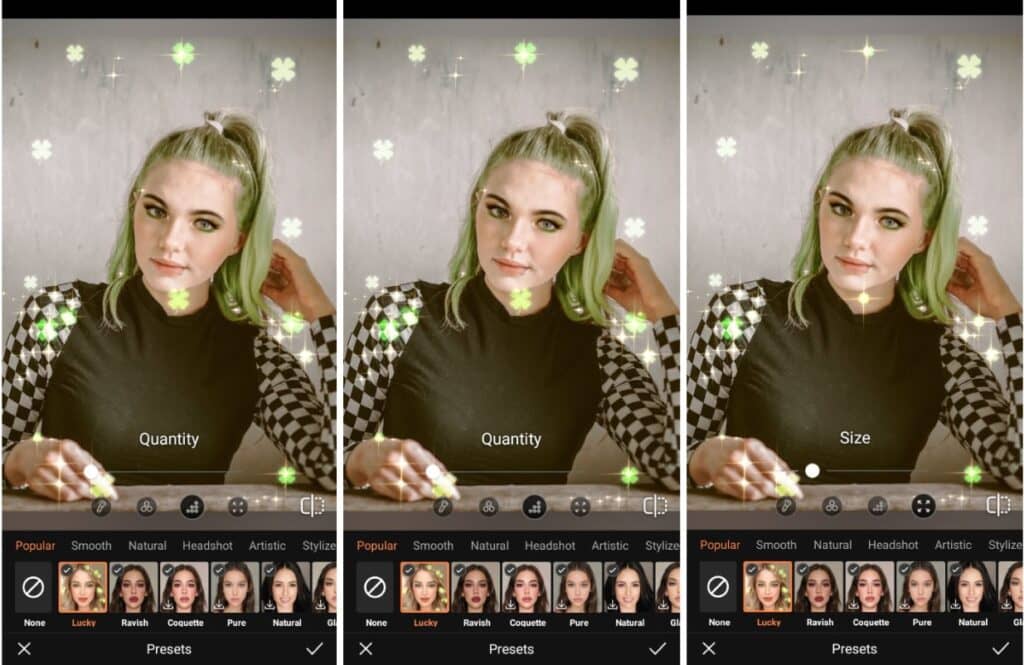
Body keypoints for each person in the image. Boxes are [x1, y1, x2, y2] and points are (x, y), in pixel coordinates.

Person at [343, 110, 680, 499]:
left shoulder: (599, 356)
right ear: (476, 207)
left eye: (547, 223)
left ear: (580, 242)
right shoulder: (396, 315)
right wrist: (362, 461)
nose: (513, 240)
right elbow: (330, 460)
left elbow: (677, 469)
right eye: (499, 211)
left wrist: (664, 314)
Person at [686, 107, 1022, 499]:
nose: (856, 238)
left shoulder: (944, 357)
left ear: (923, 239)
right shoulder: (740, 313)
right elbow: (669, 460)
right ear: (819, 205)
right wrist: (704, 458)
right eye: (842, 208)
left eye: (890, 220)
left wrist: (1009, 315)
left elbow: (1017, 469)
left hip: (875, 555)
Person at [2, 110, 336, 499]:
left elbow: (335, 469)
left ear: (237, 242)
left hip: (191, 555)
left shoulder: (257, 357)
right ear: (134, 208)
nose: (170, 240)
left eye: (204, 223)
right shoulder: (55, 316)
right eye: (156, 210)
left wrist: (321, 314)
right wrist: (18, 462)